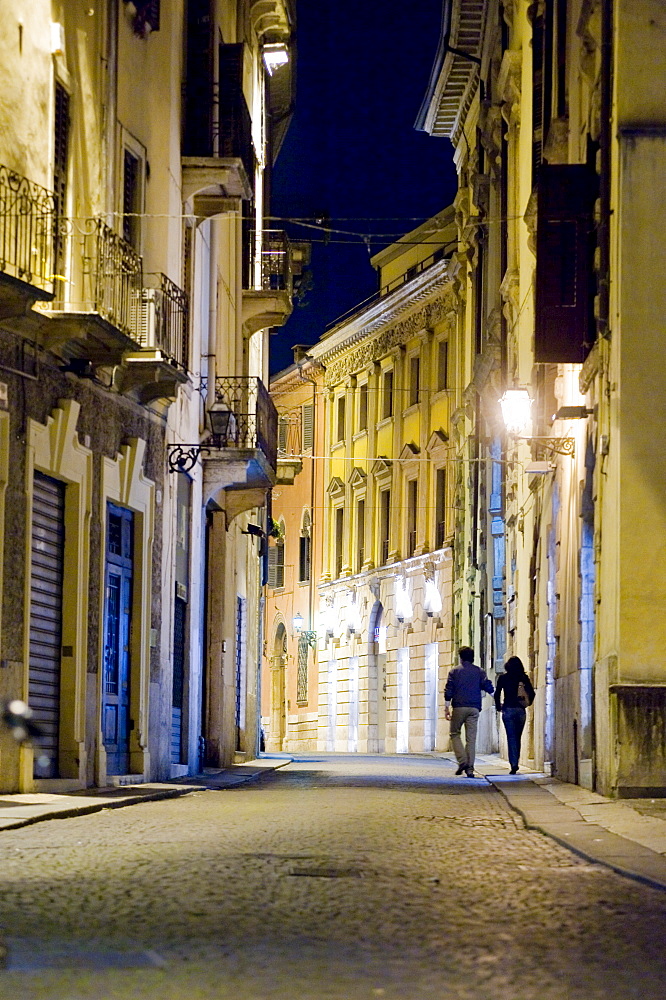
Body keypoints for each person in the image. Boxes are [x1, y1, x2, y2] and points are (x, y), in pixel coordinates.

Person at [444, 647, 494, 778]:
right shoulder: (479, 671)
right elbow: (487, 686)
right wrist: (497, 699)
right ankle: (470, 768)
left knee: (454, 733)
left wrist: (446, 707)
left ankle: (462, 761)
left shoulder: (454, 672)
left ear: (461, 658)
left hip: (459, 707)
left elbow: (449, 689)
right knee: (471, 739)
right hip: (474, 708)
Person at [494, 655, 535, 774]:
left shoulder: (503, 678)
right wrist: (526, 704)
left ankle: (514, 764)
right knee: (518, 737)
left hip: (508, 710)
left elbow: (497, 694)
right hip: (520, 710)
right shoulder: (523, 678)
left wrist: (498, 707)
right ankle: (515, 761)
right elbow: (532, 693)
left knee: (511, 737)